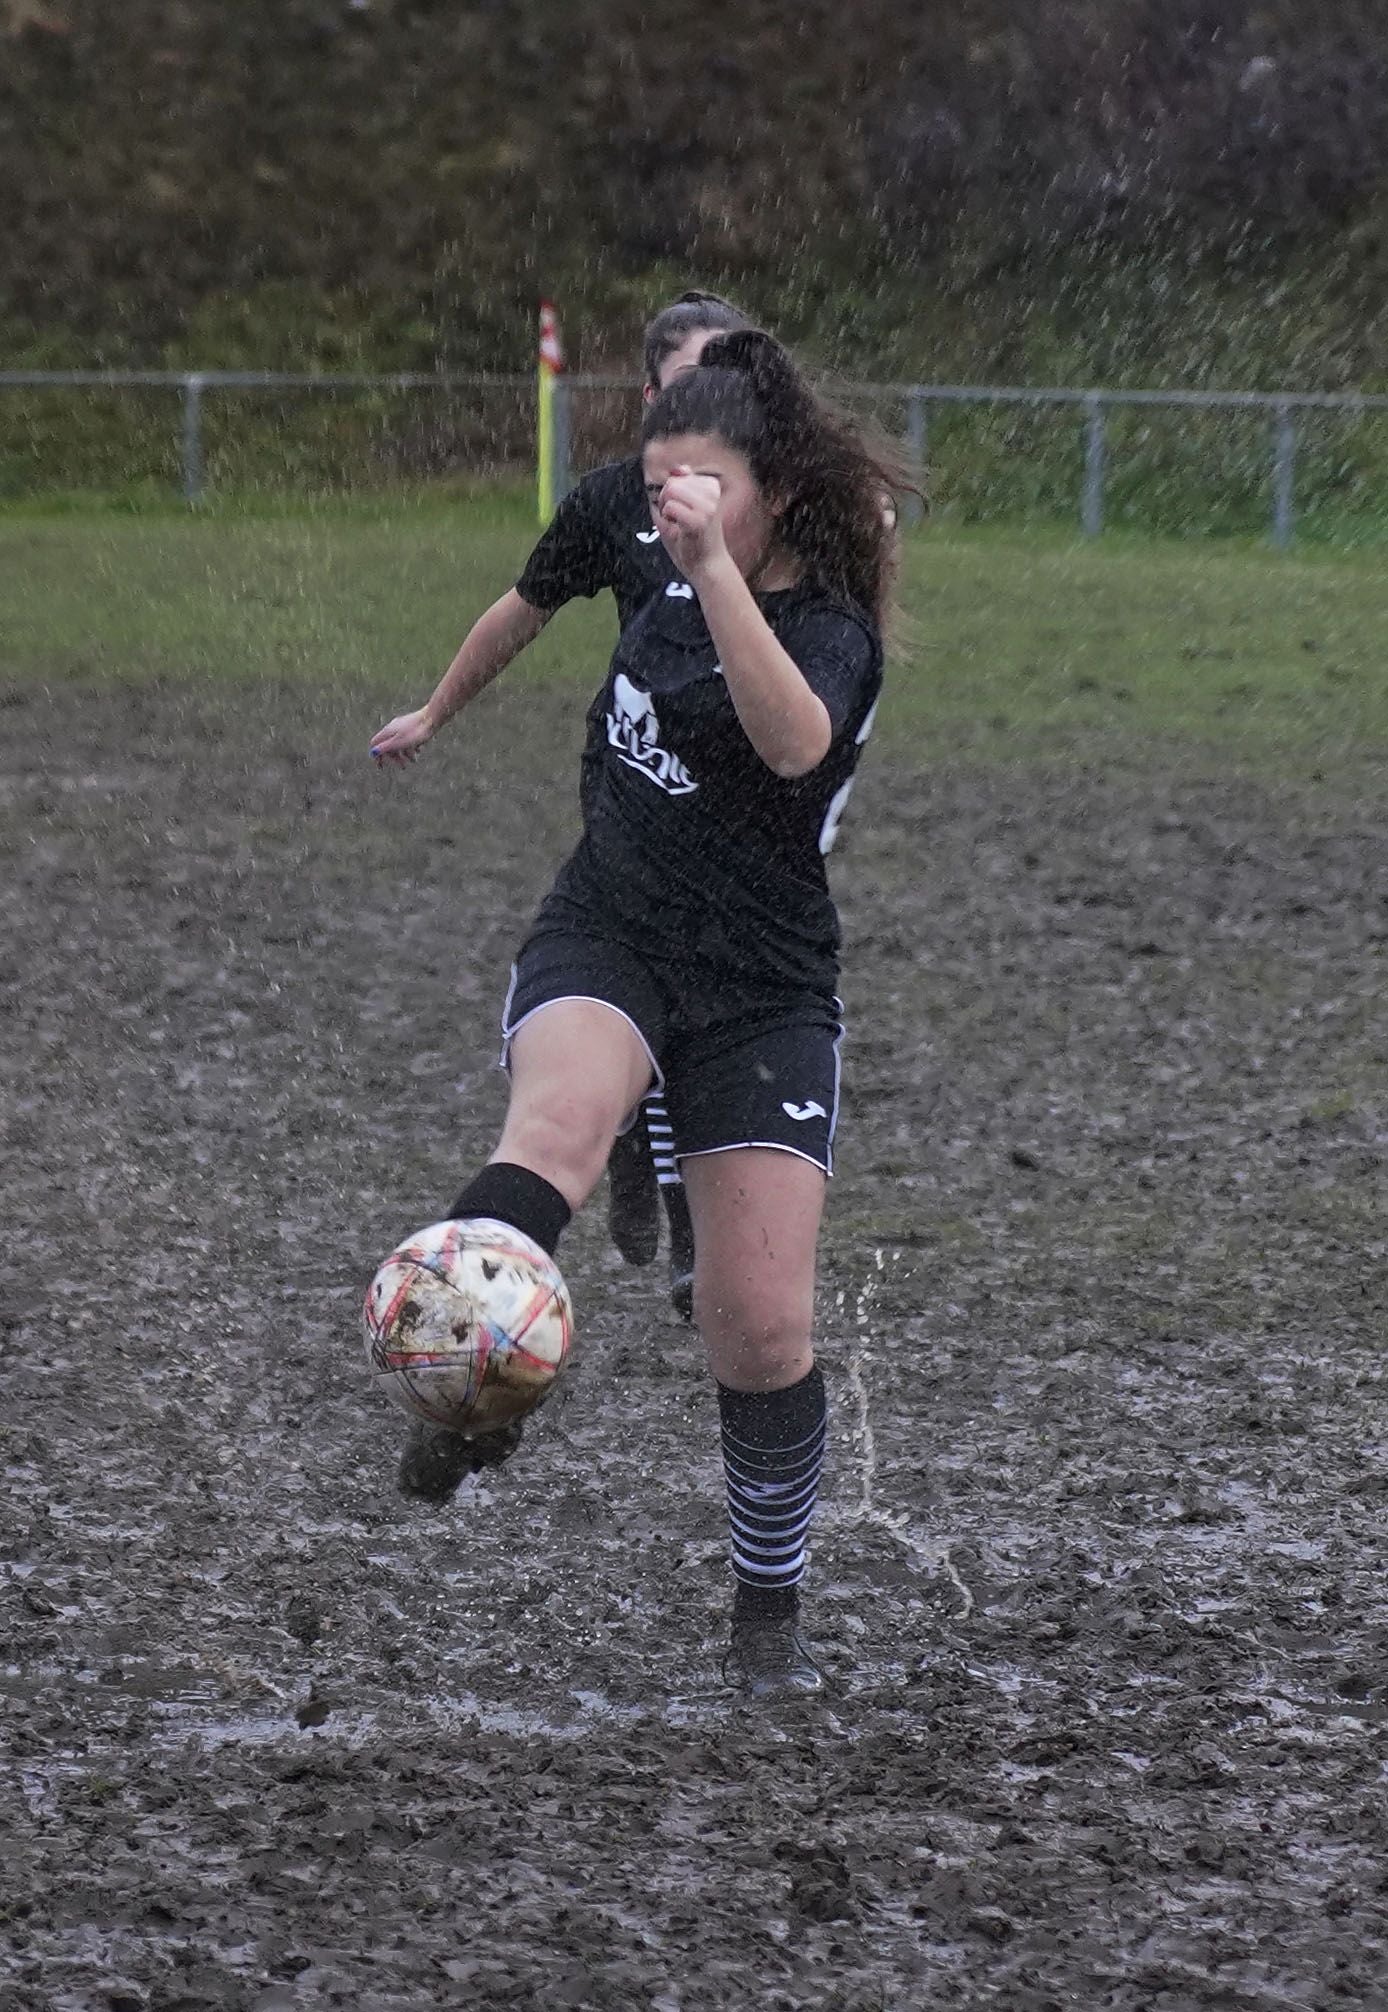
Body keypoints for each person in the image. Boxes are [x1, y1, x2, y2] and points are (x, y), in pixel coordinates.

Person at [372, 328, 897, 1696]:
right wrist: (435, 707)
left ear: (771, 489)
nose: (666, 513)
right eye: (658, 487)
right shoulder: (657, 553)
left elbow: (794, 744)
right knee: (557, 1128)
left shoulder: (826, 625)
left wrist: (710, 567)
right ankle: (472, 1389)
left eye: (698, 490)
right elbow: (537, 599)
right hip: (608, 927)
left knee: (758, 1324)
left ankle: (765, 1620)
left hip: (764, 986)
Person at [373, 291, 753, 1343]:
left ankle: (664, 1178)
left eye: (735, 382)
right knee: (632, 984)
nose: (714, 408)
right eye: (690, 385)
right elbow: (523, 608)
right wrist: (435, 710)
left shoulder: (782, 509)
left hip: (755, 816)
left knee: (714, 1002)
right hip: (638, 800)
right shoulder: (610, 503)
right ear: (647, 399)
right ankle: (625, 1157)